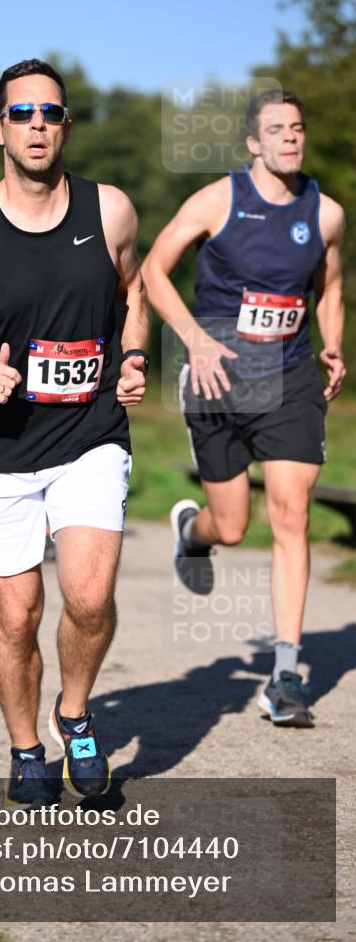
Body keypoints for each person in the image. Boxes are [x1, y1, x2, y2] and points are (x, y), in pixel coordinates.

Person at [0, 59, 149, 808]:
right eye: (21, 114)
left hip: (89, 433)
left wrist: (134, 355)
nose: (37, 124)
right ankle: (24, 750)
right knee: (16, 616)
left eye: (50, 112)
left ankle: (73, 714)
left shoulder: (108, 210)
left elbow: (132, 288)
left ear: (67, 125)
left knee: (88, 596)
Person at [141, 89, 346, 729]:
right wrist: (195, 338)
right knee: (231, 526)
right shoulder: (217, 200)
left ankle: (285, 675)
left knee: (292, 516)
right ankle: (192, 535)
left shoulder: (327, 214)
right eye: (276, 129)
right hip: (218, 377)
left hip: (289, 379)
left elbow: (330, 285)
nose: (291, 137)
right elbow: (152, 270)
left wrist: (332, 342)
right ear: (253, 144)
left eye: (298, 127)